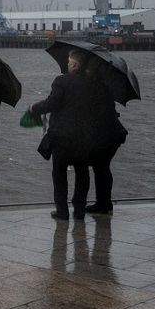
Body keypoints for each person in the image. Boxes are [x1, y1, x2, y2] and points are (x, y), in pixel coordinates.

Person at [28, 50, 104, 220]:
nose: (68, 64)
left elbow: (52, 103)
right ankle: (79, 210)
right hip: (84, 137)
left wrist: (34, 108)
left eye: (69, 62)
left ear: (74, 65)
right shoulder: (93, 85)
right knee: (82, 172)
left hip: (61, 136)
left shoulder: (61, 81)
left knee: (59, 173)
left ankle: (62, 210)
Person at [85, 61, 128, 215]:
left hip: (108, 135)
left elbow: (95, 112)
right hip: (115, 134)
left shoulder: (96, 88)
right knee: (103, 168)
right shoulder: (105, 86)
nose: (86, 70)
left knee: (100, 168)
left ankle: (102, 204)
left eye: (88, 67)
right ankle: (105, 203)